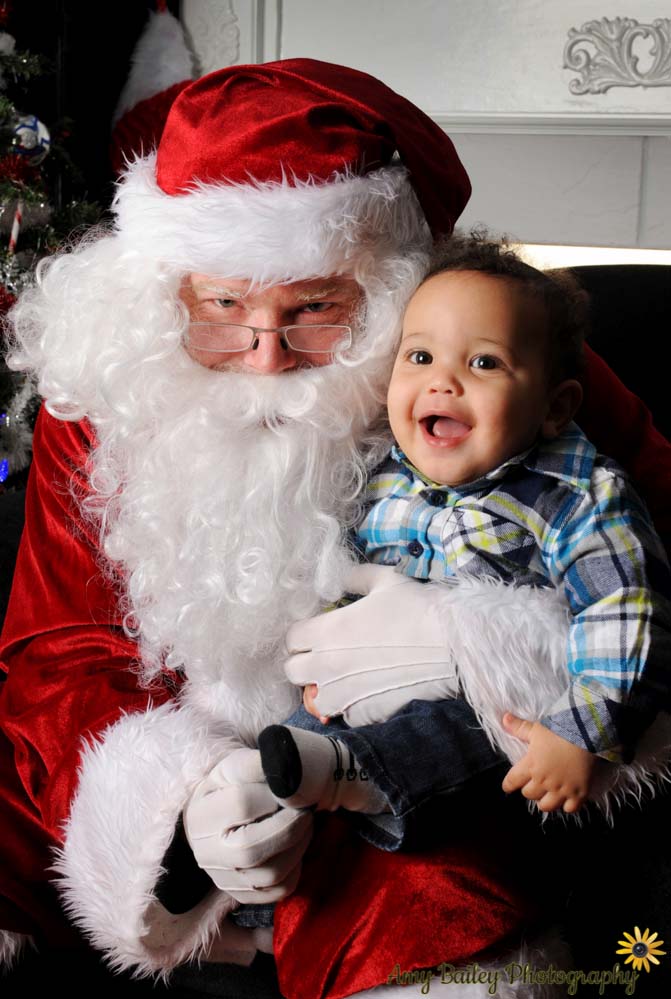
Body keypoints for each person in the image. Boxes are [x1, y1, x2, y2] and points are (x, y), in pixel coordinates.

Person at [1, 59, 671, 998]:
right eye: (222, 306)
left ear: (388, 288)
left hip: (412, 774)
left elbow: (653, 567)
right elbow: (61, 647)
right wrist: (179, 803)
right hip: (178, 744)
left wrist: (469, 643)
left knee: (435, 912)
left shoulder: (496, 363)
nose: (266, 355)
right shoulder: (113, 387)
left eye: (315, 307)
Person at [259, 235, 671, 823]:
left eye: (484, 363)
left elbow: (626, 611)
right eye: (420, 357)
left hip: (493, 702)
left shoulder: (576, 494)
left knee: (464, 725)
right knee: (293, 736)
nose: (442, 382)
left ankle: (357, 774)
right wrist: (328, 655)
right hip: (369, 689)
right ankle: (269, 803)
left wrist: (582, 734)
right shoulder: (378, 476)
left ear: (554, 408)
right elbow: (346, 577)